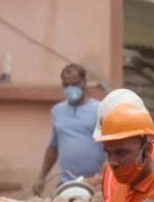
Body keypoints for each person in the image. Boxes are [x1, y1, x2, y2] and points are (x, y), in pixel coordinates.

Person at [32, 64, 105, 194]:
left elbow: (111, 146)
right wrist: (41, 177)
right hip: (66, 183)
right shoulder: (57, 111)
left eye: (75, 84)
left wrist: (102, 176)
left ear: (84, 83)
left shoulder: (100, 109)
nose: (70, 88)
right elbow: (53, 147)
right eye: (66, 85)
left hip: (96, 183)